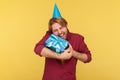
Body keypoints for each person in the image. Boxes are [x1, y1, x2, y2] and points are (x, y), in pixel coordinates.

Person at [34, 4, 92, 80]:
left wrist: (72, 53)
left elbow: (88, 58)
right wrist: (60, 56)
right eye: (55, 30)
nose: (60, 32)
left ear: (66, 26)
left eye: (61, 28)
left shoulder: (77, 38)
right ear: (52, 32)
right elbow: (38, 48)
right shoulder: (50, 36)